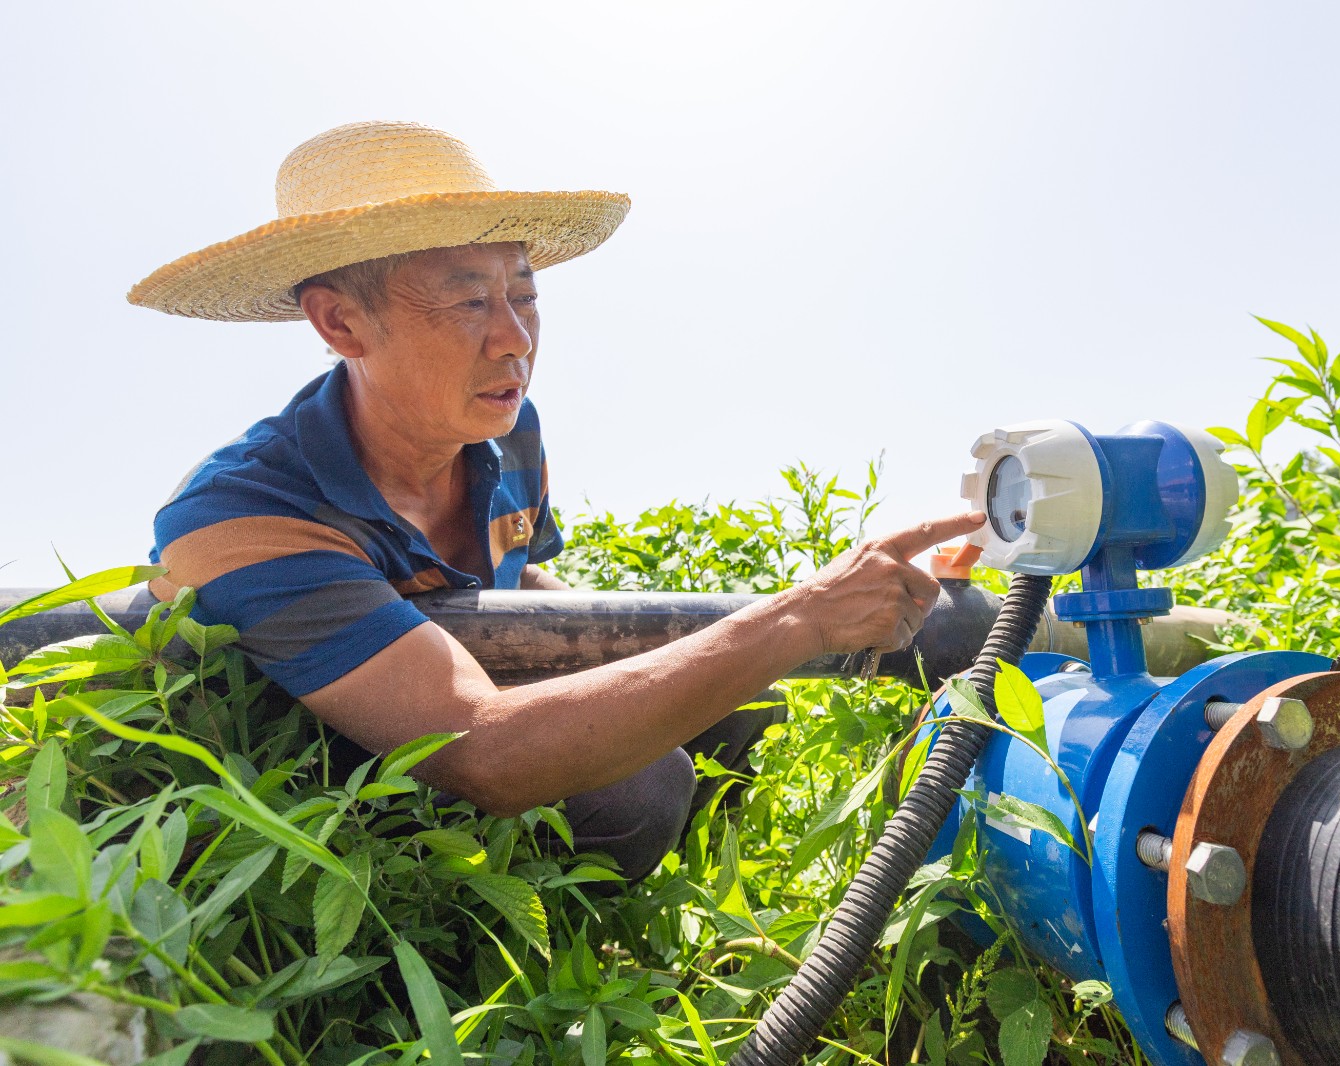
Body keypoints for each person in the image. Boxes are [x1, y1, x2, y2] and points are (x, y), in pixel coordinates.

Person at [129, 120, 983, 879]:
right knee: (639, 788)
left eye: (525, 295)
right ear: (340, 324)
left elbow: (522, 582)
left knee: (741, 694)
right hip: (326, 775)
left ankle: (681, 901)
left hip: (450, 683)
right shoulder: (243, 514)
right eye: (470, 300)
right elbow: (479, 751)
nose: (515, 339)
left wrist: (656, 643)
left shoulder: (508, 433)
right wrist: (799, 616)